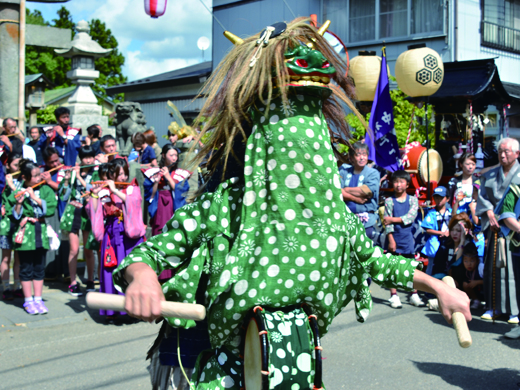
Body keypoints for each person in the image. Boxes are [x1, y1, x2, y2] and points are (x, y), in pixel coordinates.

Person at [109, 19, 470, 389]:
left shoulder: (334, 218)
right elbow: (146, 255)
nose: (303, 163)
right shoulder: (228, 205)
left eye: (312, 152)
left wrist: (439, 286)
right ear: (263, 150)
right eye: (288, 152)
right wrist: (143, 280)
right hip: (219, 370)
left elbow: (381, 263)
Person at [87, 158, 146, 322]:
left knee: (131, 272)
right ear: (111, 175)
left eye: (124, 173)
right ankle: (114, 310)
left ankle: (134, 309)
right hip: (112, 236)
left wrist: (115, 190)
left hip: (129, 237)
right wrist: (94, 194)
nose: (122, 177)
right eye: (118, 174)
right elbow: (94, 210)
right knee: (112, 271)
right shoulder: (106, 191)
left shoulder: (132, 188)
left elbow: (134, 202)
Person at [476, 137, 520, 327]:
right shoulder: (491, 174)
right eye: (500, 151)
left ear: (517, 154)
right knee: (493, 266)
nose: (502, 155)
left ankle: (515, 310)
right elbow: (482, 197)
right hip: (494, 227)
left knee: (514, 270)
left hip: (514, 228)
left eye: (507, 151)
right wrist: (489, 212)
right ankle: (493, 306)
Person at [5, 159, 57, 314]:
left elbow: (51, 208)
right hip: (25, 233)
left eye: (38, 175)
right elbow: (11, 213)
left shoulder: (45, 189)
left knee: (39, 267)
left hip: (40, 230)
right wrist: (19, 203)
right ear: (25, 177)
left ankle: (38, 299)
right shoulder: (17, 190)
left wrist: (34, 197)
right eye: (34, 176)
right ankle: (28, 301)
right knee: (26, 268)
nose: (38, 178)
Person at [59, 145, 98, 296]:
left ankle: (90, 279)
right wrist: (67, 180)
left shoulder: (96, 173)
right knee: (74, 250)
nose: (88, 160)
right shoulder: (75, 173)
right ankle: (73, 282)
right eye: (85, 157)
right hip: (74, 210)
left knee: (89, 249)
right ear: (80, 158)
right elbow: (63, 196)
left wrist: (80, 177)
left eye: (90, 157)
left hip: (88, 212)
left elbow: (91, 189)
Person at [383, 170, 424, 308]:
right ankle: (393, 296)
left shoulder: (413, 200)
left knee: (411, 267)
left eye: (401, 181)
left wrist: (392, 219)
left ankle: (414, 294)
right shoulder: (389, 201)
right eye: (395, 181)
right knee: (392, 267)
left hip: (407, 238)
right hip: (394, 238)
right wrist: (391, 239)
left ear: (407, 184)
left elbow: (410, 218)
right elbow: (386, 224)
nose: (398, 184)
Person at [339, 141, 380, 239]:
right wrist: (355, 199)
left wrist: (346, 189)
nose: (362, 158)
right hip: (346, 220)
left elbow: (367, 191)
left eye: (364, 154)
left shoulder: (373, 173)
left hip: (367, 222)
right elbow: (337, 191)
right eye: (358, 155)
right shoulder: (344, 170)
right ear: (352, 157)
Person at [0, 153, 22, 300]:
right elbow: (11, 201)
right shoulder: (4, 183)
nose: (18, 168)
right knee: (6, 257)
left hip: (20, 224)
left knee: (19, 258)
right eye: (15, 165)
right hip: (7, 223)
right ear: (8, 166)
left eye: (20, 165)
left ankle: (18, 286)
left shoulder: (23, 181)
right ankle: (6, 286)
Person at [421, 186, 452, 275]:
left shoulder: (451, 212)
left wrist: (449, 233)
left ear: (447, 199)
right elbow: (427, 229)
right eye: (436, 198)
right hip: (435, 243)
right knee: (432, 266)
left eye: (441, 198)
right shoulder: (431, 213)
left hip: (449, 242)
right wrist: (441, 233)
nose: (438, 200)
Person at [450, 241, 483, 309]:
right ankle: (475, 300)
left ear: (477, 260)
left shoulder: (481, 267)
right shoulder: (463, 268)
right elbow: (450, 268)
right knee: (465, 283)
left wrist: (477, 282)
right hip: (475, 290)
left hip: (484, 291)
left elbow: (490, 281)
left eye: (472, 261)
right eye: (466, 261)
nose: (469, 264)